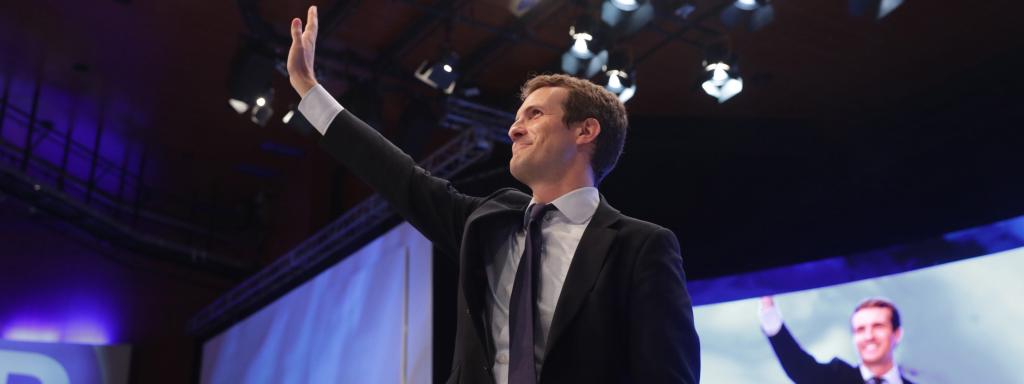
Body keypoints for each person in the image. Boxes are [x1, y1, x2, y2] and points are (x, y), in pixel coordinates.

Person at [285, 6, 699, 384]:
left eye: (534, 114)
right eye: (517, 118)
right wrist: (309, 91)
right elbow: (401, 178)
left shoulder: (641, 246)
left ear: (585, 131)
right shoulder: (486, 223)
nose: (514, 129)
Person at [759, 296, 914, 384]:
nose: (868, 336)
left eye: (877, 326)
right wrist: (767, 306)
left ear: (897, 334)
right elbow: (798, 366)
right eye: (860, 329)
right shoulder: (834, 378)